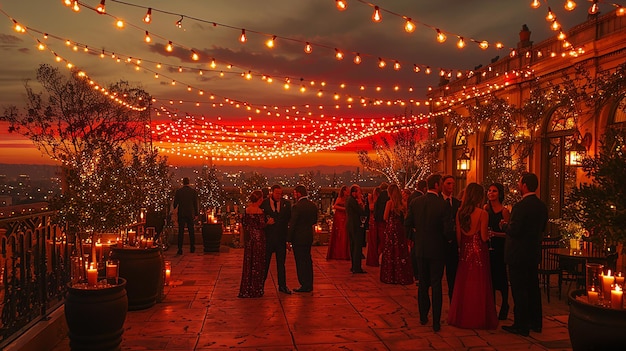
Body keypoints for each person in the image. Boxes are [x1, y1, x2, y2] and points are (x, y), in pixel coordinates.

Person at [501, 172, 548, 337]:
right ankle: (536, 322)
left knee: (519, 290)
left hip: (518, 254)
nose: (519, 186)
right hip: (532, 253)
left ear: (525, 185)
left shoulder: (521, 206)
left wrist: (504, 226)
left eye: (520, 183)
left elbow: (515, 230)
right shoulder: (542, 206)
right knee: (533, 288)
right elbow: (542, 229)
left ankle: (521, 324)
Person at [447, 183, 498, 329]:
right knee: (479, 285)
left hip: (464, 251)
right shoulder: (483, 213)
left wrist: (463, 248)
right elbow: (483, 237)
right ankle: (478, 317)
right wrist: (489, 235)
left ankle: (463, 316)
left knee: (464, 284)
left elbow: (458, 237)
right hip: (479, 252)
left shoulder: (459, 212)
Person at [405, 174, 452, 332]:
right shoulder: (442, 204)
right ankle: (436, 321)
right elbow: (447, 230)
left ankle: (423, 316)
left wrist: (417, 235)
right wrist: (449, 240)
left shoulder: (416, 202)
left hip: (421, 248)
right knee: (436, 284)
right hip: (437, 249)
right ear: (438, 185)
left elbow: (408, 223)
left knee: (423, 284)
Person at [484, 182, 511, 320]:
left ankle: (505, 303)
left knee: (501, 277)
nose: (491, 193)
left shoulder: (504, 211)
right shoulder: (485, 209)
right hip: (488, 247)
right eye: (489, 190)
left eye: (494, 191)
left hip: (500, 248)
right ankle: (492, 305)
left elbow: (508, 233)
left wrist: (495, 233)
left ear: (499, 194)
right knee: (490, 278)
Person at [260, 184, 292, 294]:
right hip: (268, 239)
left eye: (280, 193)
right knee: (265, 263)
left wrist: (288, 240)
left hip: (281, 239)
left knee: (281, 263)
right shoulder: (264, 204)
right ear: (272, 192)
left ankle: (282, 286)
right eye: (277, 193)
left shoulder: (286, 204)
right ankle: (260, 286)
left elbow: (288, 222)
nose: (279, 196)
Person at [380, 184, 414, 285]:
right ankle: (402, 274)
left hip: (391, 228)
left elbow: (385, 217)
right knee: (401, 250)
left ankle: (391, 275)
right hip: (400, 228)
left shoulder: (389, 203)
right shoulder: (403, 203)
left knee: (391, 250)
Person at [287, 185, 318, 293]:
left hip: (298, 238)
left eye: (295, 193)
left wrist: (288, 239)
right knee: (308, 260)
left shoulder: (297, 207)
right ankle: (309, 283)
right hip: (308, 236)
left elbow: (293, 224)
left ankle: (304, 284)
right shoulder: (312, 205)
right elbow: (314, 220)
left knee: (300, 261)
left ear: (299, 193)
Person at [238, 190, 267, 298]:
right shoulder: (259, 211)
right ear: (259, 199)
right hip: (259, 239)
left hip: (249, 240)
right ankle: (256, 289)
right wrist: (268, 222)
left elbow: (244, 224)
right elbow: (261, 225)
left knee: (249, 263)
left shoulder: (247, 210)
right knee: (257, 264)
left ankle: (247, 288)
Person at [441, 175, 461, 301]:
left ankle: (453, 299)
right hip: (439, 243)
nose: (451, 186)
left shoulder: (457, 203)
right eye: (448, 183)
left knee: (452, 275)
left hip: (453, 245)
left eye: (453, 184)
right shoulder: (438, 202)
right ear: (442, 184)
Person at [346, 184, 368, 274]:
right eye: (359, 192)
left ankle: (354, 266)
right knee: (357, 247)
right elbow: (362, 212)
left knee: (353, 246)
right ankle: (357, 267)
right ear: (354, 192)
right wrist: (361, 202)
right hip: (356, 226)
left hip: (351, 226)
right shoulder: (353, 201)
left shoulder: (349, 200)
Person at [173, 177, 199, 255]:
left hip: (181, 213)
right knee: (191, 231)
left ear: (183, 183)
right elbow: (195, 204)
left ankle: (180, 248)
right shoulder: (193, 192)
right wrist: (196, 214)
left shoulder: (179, 192)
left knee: (181, 232)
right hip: (190, 213)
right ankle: (192, 247)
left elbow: (175, 204)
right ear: (188, 183)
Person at [326, 185, 350, 260]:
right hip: (340, 217)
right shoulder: (340, 198)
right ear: (344, 191)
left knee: (345, 234)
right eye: (347, 190)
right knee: (341, 234)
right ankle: (340, 253)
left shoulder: (348, 199)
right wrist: (344, 209)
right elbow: (335, 206)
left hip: (345, 217)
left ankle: (344, 253)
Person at [371, 182, 389, 265]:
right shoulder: (388, 198)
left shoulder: (379, 197)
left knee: (380, 240)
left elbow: (376, 210)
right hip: (385, 221)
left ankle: (379, 257)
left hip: (378, 221)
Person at [366, 187, 381, 266]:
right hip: (373, 221)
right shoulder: (376, 201)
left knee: (373, 240)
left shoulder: (375, 201)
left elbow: (371, 208)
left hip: (373, 221)